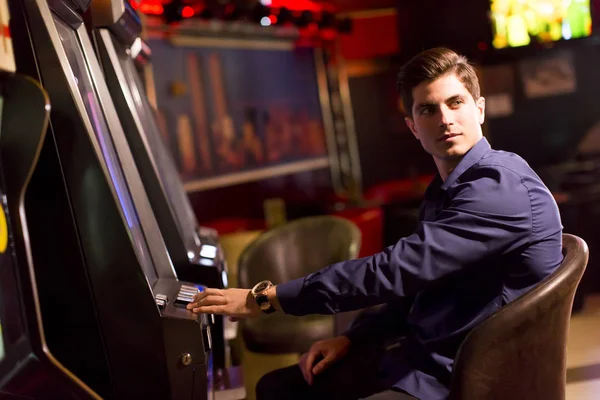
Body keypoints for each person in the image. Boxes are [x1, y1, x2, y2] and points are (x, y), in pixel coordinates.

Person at [187, 47, 563, 399]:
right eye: (428, 110)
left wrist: (265, 299)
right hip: (423, 355)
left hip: (464, 375)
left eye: (456, 102)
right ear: (413, 126)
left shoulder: (498, 186)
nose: (445, 119)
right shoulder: (450, 187)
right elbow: (418, 290)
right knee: (278, 388)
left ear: (479, 109)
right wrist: (355, 338)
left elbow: (394, 270)